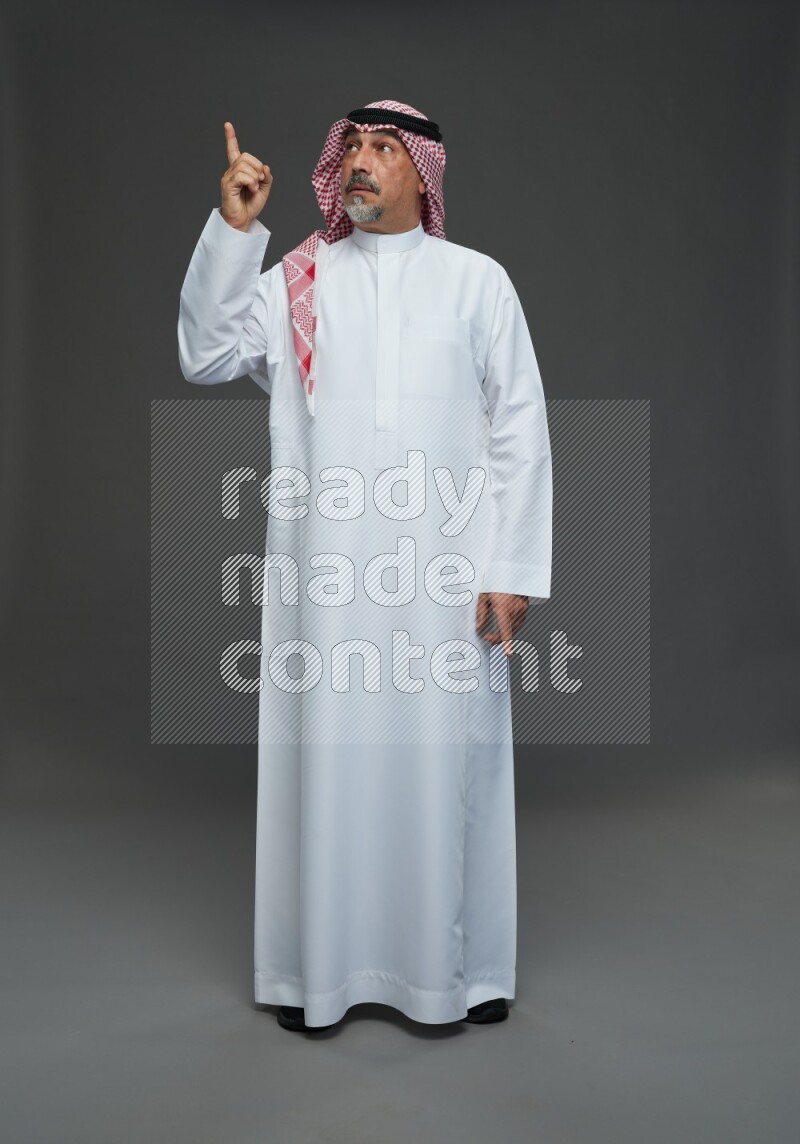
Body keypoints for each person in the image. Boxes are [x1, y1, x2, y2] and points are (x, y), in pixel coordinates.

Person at [178, 99, 553, 1032]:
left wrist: (511, 567)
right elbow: (206, 354)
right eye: (353, 149)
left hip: (446, 582)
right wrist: (236, 231)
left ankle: (457, 977)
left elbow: (521, 432)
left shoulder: (477, 283)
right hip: (328, 583)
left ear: (421, 172)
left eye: (386, 150)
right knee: (330, 762)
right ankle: (323, 977)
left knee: (450, 765)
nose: (364, 164)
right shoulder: (301, 278)